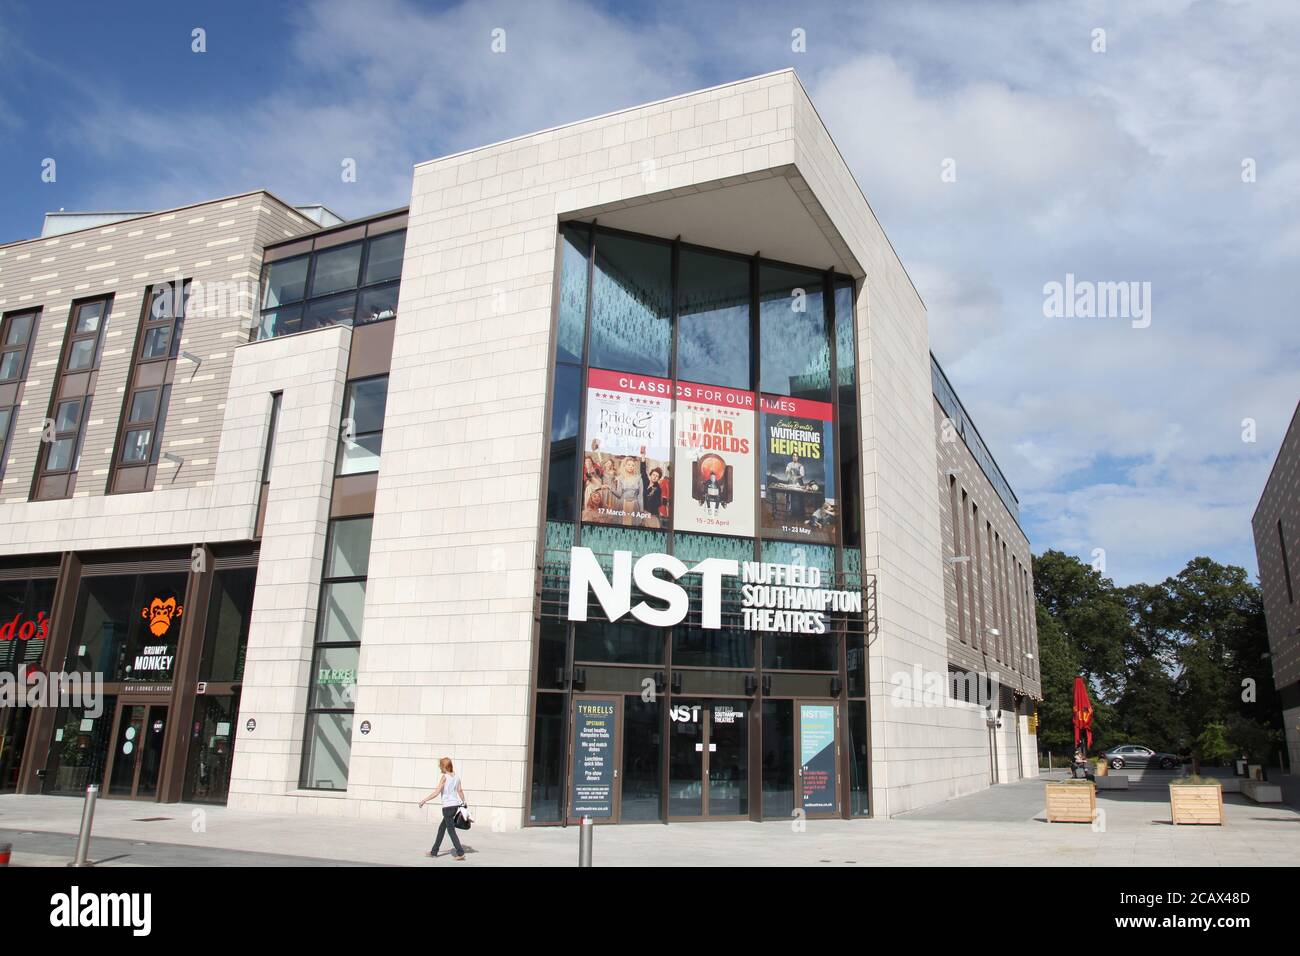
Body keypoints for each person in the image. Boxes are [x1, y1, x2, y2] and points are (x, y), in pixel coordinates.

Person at [419, 757, 467, 860]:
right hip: (455, 806)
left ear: (444, 766)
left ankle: (460, 852)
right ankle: (434, 851)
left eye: (441, 765)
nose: (440, 767)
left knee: (451, 831)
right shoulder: (457, 777)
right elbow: (460, 791)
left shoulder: (445, 777)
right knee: (441, 829)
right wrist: (464, 802)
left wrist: (424, 800)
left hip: (447, 808)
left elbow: (436, 792)